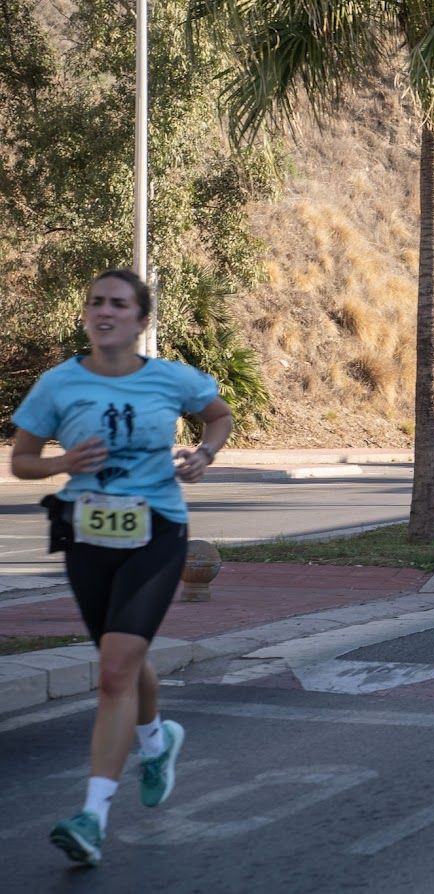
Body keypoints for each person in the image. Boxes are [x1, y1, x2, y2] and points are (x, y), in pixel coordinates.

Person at [10, 270, 232, 867]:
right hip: (88, 534)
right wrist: (64, 460)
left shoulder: (171, 378)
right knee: (123, 660)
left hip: (156, 531)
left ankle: (92, 817)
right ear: (87, 315)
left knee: (113, 670)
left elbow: (219, 415)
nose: (104, 311)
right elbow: (22, 462)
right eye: (96, 302)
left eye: (118, 304)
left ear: (140, 320)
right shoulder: (58, 385)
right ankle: (159, 744)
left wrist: (204, 454)